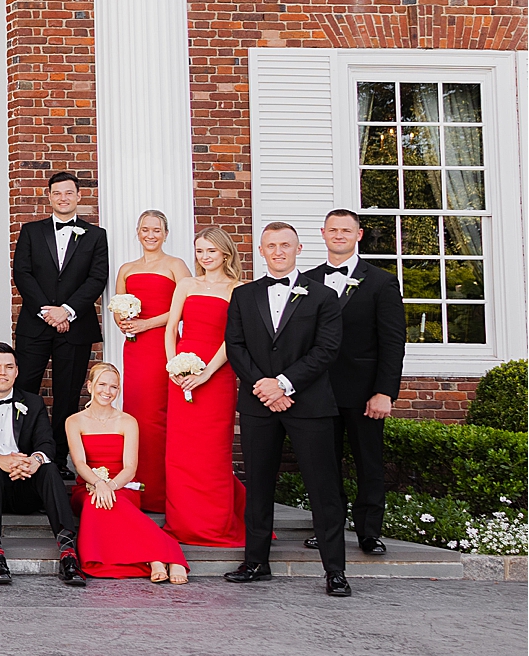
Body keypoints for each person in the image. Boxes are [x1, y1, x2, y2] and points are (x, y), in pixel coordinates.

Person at [224, 221, 350, 597]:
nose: (278, 251)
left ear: (298, 249)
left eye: (285, 245)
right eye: (270, 246)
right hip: (259, 404)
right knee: (259, 485)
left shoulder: (323, 296)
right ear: (260, 251)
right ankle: (256, 561)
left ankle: (335, 570)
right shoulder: (244, 295)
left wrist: (284, 384)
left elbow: (326, 349)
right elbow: (236, 346)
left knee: (323, 487)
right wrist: (265, 388)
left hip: (308, 403)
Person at [304, 208, 406, 558]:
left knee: (368, 461)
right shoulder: (306, 281)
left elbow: (393, 341)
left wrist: (384, 391)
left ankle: (369, 532)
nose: (339, 235)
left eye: (346, 230)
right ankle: (327, 529)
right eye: (333, 229)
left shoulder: (381, 281)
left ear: (358, 235)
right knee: (323, 465)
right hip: (317, 390)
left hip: (364, 392)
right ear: (323, 233)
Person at [0, 343, 85, 587]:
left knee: (49, 468)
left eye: (9, 367)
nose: (2, 372)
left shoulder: (33, 402)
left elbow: (46, 442)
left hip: (22, 482)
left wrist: (34, 461)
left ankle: (68, 554)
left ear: (17, 372)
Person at [10, 171, 109, 460]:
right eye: (57, 193)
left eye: (69, 193)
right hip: (35, 325)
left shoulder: (96, 236)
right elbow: (22, 273)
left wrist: (66, 311)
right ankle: (20, 451)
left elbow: (97, 278)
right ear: (49, 197)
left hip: (76, 327)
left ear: (79, 196)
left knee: (68, 394)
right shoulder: (31, 231)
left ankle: (57, 457)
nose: (63, 198)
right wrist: (49, 312)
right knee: (25, 389)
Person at [65, 362, 189, 583]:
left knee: (115, 502)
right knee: (95, 503)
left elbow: (130, 467)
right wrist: (99, 484)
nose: (107, 391)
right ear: (90, 386)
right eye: (102, 384)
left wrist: (110, 485)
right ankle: (160, 555)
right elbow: (80, 463)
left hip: (122, 485)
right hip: (88, 486)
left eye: (114, 387)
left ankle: (161, 557)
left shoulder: (128, 421)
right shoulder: (74, 421)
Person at [162, 226, 246, 548]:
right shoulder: (186, 284)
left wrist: (207, 373)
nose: (204, 257)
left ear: (224, 252)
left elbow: (232, 339)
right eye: (199, 251)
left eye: (210, 250)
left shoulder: (238, 289)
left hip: (217, 376)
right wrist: (173, 365)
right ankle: (183, 521)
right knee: (182, 452)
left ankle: (214, 523)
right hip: (181, 376)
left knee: (212, 452)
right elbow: (171, 328)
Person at [109, 210, 189, 511]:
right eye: (145, 229)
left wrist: (147, 324)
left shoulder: (176, 266)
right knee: (137, 412)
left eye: (156, 229)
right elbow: (117, 306)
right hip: (135, 348)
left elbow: (185, 305)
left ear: (166, 233)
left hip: (162, 344)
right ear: (138, 232)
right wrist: (124, 321)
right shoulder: (126, 269)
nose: (150, 235)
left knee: (158, 416)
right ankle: (138, 484)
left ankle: (162, 490)